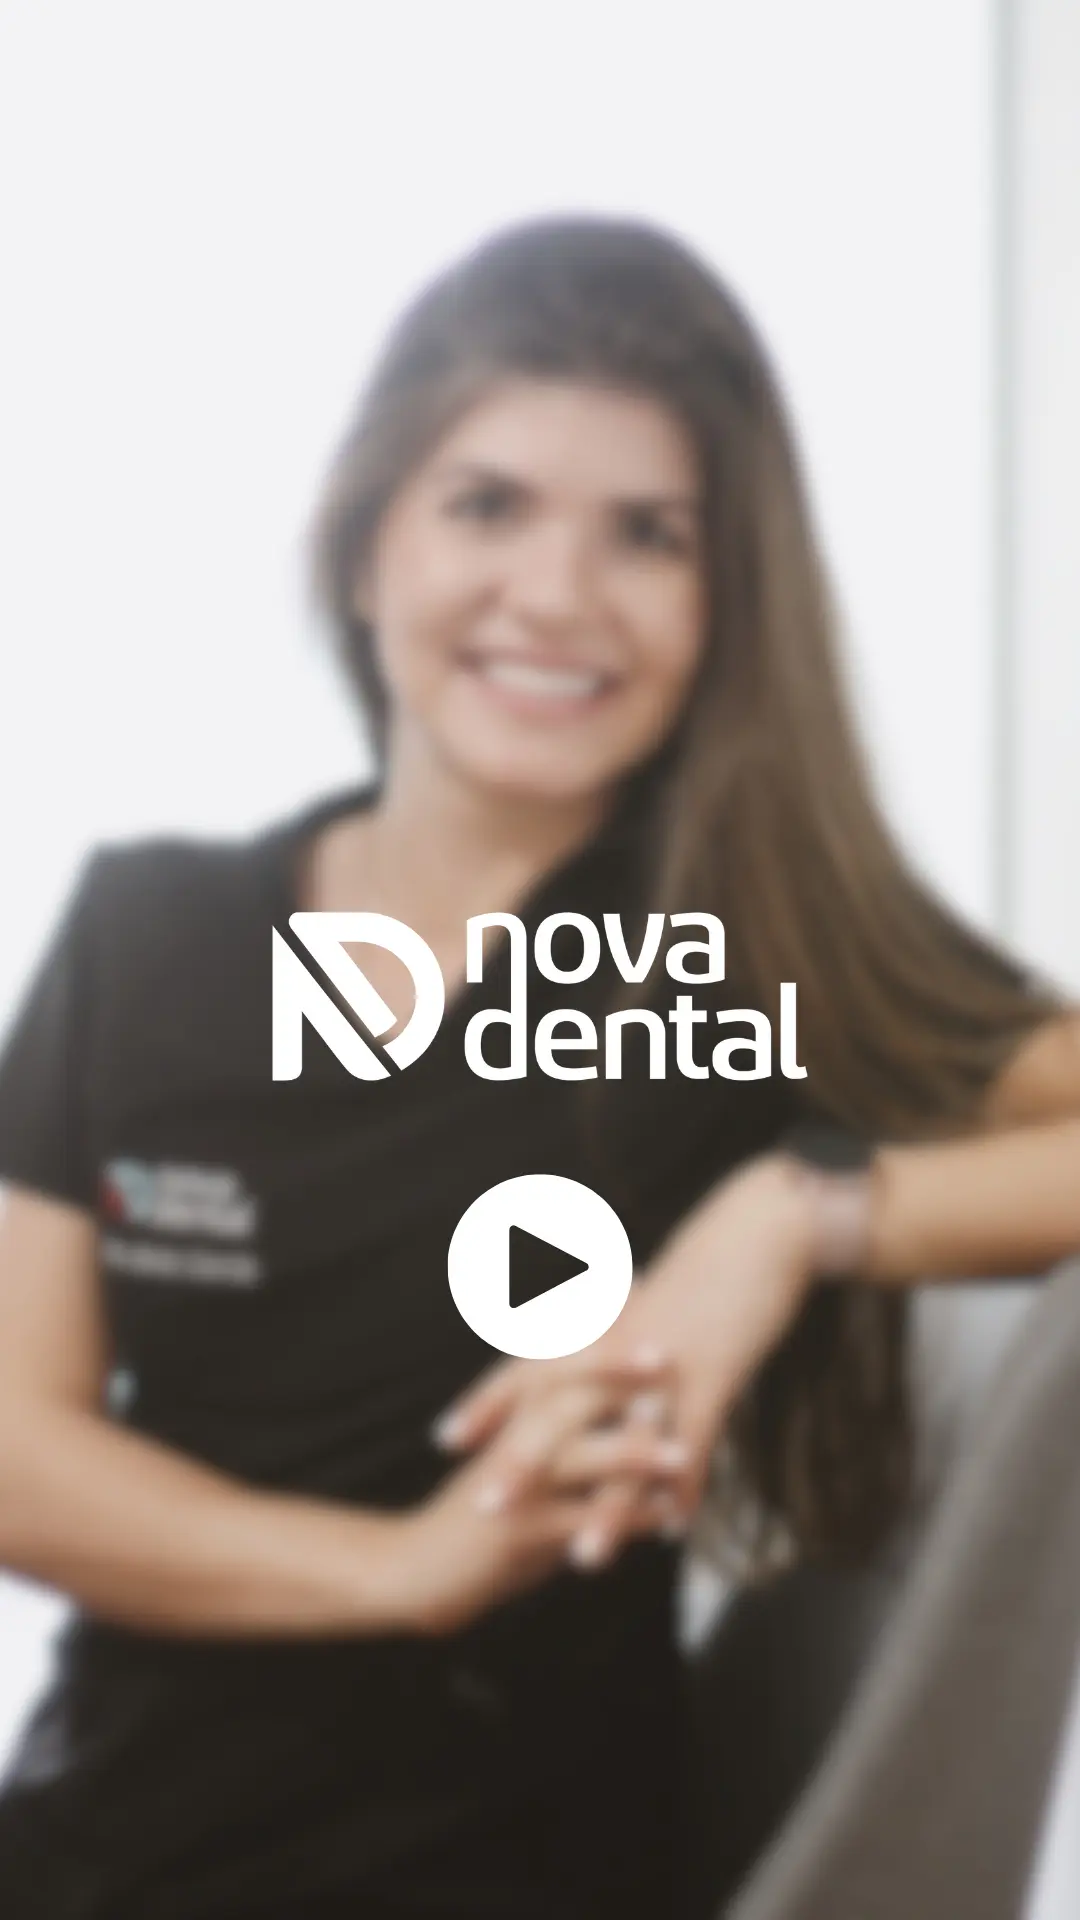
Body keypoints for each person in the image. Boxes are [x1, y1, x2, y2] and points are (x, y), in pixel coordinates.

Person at [0, 217, 1077, 1920]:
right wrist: (401, 1571)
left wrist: (791, 1218)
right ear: (367, 549)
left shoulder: (730, 952)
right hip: (94, 1852)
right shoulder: (150, 933)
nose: (558, 595)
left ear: (725, 607)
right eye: (488, 505)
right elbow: (15, 1445)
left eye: (649, 534)